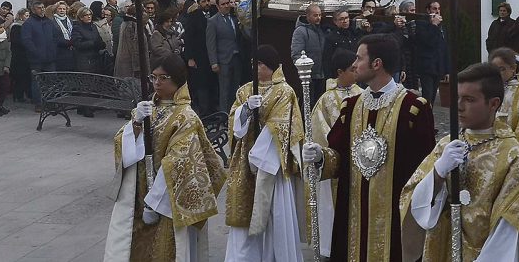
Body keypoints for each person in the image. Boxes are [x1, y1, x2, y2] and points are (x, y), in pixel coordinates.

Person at [400, 63, 519, 261]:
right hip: (444, 249)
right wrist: (438, 173)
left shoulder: (512, 156)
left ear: (493, 104)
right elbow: (414, 203)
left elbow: (511, 226)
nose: (458, 106)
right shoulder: (446, 145)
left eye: (469, 99)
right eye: (457, 97)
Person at [302, 34, 436, 262]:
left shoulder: (413, 108)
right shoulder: (351, 107)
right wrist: (320, 157)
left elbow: (424, 172)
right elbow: (339, 157)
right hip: (354, 214)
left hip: (395, 217)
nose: (354, 65)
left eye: (359, 58)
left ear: (377, 63)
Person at [104, 54, 227, 261]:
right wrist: (135, 123)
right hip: (139, 192)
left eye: (164, 77)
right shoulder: (145, 109)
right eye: (153, 77)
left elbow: (180, 160)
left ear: (178, 79)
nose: (157, 83)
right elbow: (121, 144)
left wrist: (153, 202)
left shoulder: (185, 117)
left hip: (166, 198)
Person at [224, 45, 305, 262]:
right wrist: (246, 110)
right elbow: (233, 121)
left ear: (272, 66)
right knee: (245, 214)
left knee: (274, 213)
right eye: (254, 63)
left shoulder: (285, 92)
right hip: (244, 159)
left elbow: (283, 126)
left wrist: (260, 155)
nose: (256, 67)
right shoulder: (245, 90)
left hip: (271, 163)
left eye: (260, 64)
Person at [309, 49, 363, 257]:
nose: (356, 71)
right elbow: (320, 130)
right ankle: (331, 249)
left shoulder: (362, 94)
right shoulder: (326, 99)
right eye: (351, 69)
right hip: (336, 162)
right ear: (339, 72)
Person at [206, 0, 243, 113]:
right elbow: (210, 43)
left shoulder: (234, 18)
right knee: (224, 89)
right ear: (217, 6)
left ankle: (234, 113)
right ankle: (224, 115)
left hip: (236, 58)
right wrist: (214, 62)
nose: (226, 6)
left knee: (235, 88)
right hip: (223, 60)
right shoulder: (213, 21)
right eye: (223, 4)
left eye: (227, 3)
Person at [21, 1, 57, 112]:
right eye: (39, 8)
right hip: (36, 59)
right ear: (33, 10)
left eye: (43, 7)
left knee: (52, 80)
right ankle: (38, 103)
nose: (42, 9)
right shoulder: (28, 23)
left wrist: (53, 50)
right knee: (37, 82)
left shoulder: (49, 22)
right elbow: (27, 41)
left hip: (50, 58)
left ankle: (51, 102)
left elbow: (55, 36)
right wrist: (36, 52)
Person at [184, 0, 216, 115]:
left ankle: (212, 110)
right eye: (204, 1)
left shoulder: (213, 13)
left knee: (211, 83)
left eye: (208, 1)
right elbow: (189, 38)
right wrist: (190, 58)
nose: (207, 3)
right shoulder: (194, 16)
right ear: (199, 3)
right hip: (198, 56)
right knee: (201, 84)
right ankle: (202, 111)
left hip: (210, 56)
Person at [290, 4, 326, 108]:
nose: (318, 18)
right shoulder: (300, 31)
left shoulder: (321, 29)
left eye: (320, 15)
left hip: (321, 75)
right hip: (308, 76)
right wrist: (304, 73)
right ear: (308, 16)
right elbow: (296, 54)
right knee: (307, 105)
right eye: (315, 15)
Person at [414, 1, 449, 105]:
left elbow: (444, 47)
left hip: (438, 66)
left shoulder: (441, 26)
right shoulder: (422, 24)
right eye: (434, 8)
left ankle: (429, 114)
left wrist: (447, 69)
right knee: (427, 95)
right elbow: (428, 41)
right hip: (427, 66)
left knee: (433, 95)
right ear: (428, 10)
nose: (437, 11)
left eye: (438, 9)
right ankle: (424, 116)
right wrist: (433, 25)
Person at [321, 7, 364, 80]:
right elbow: (327, 60)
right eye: (341, 19)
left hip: (356, 70)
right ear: (335, 21)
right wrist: (330, 79)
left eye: (346, 18)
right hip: (340, 73)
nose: (345, 21)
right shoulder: (331, 37)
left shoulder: (354, 33)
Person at [115, 4, 150, 80]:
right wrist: (138, 68)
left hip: (126, 63)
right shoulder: (133, 26)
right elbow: (135, 48)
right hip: (131, 66)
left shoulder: (125, 23)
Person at [72, 7, 106, 73]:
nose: (89, 16)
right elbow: (78, 44)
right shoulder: (77, 28)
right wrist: (93, 43)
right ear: (81, 17)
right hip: (84, 60)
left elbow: (98, 39)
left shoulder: (93, 26)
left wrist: (101, 44)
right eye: (86, 15)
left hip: (96, 59)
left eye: (90, 14)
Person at [149, 9, 182, 75]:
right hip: (161, 64)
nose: (169, 24)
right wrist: (170, 53)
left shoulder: (171, 32)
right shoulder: (157, 33)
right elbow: (156, 49)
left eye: (170, 21)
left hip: (171, 63)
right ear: (162, 22)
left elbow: (175, 44)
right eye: (167, 22)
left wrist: (178, 49)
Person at [9, 8, 32, 103]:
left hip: (26, 55)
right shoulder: (16, 27)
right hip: (19, 55)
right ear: (21, 16)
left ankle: (24, 94)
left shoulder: (27, 26)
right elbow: (17, 41)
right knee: (20, 76)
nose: (28, 17)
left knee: (26, 76)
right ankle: (18, 95)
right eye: (26, 15)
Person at [52, 1, 75, 71]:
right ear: (56, 10)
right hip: (59, 52)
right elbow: (54, 37)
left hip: (71, 52)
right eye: (60, 9)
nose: (62, 10)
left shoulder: (70, 21)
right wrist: (68, 42)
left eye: (64, 9)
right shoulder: (52, 22)